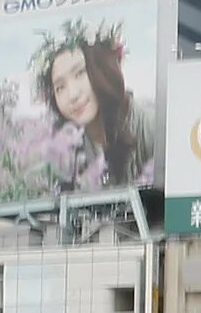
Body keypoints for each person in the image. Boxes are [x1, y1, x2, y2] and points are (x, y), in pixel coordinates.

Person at [39, 29, 153, 194]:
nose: (73, 95)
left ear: (101, 69)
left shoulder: (148, 125)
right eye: (60, 87)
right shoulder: (66, 147)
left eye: (80, 73)